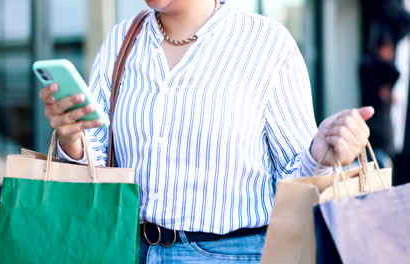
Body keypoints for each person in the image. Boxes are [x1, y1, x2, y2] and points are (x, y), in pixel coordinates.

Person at [39, 0, 374, 263]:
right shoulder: (121, 40)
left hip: (232, 256)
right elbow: (98, 159)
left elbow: (292, 182)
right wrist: (72, 138)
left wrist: (322, 153)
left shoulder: (267, 44)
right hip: (126, 250)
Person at [360, 33, 400, 168]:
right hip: (375, 127)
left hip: (380, 128)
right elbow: (395, 71)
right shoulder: (370, 66)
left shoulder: (377, 69)